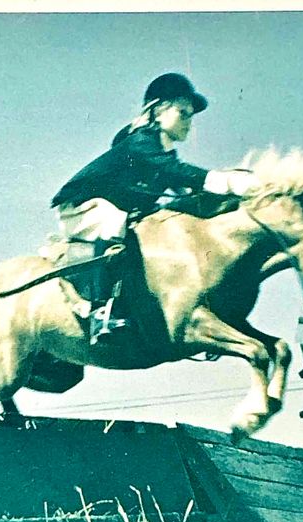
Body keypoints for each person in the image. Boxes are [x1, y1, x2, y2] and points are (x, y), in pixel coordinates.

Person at [51, 72, 259, 345]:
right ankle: (101, 314)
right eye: (183, 112)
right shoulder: (140, 141)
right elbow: (178, 172)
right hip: (79, 205)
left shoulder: (160, 151)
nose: (189, 121)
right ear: (159, 110)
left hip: (116, 207)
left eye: (191, 116)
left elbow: (183, 190)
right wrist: (227, 181)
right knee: (114, 222)